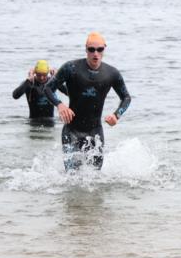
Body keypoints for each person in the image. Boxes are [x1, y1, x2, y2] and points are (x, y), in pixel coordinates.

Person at [45, 33, 131, 170]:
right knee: (71, 178)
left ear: (104, 49)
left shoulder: (112, 73)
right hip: (71, 131)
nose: (95, 53)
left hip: (95, 133)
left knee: (95, 180)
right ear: (86, 49)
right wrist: (59, 105)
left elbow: (126, 97)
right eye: (91, 49)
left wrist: (116, 115)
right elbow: (48, 88)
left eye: (99, 49)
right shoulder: (71, 68)